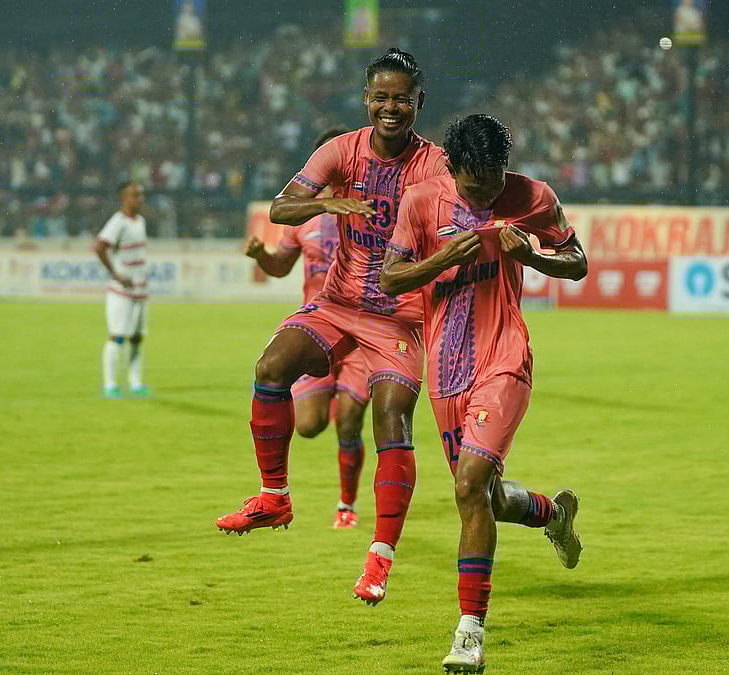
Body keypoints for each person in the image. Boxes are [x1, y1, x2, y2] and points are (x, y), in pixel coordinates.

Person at [214, 49, 448, 607]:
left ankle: (379, 558)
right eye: (380, 97)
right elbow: (280, 208)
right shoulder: (341, 151)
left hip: (399, 316)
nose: (390, 108)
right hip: (338, 303)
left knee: (390, 422)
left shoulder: (435, 165)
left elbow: (460, 220)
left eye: (401, 99)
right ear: (366, 98)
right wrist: (329, 202)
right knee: (271, 367)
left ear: (419, 102)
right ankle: (275, 497)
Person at [381, 114, 587, 672]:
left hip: (504, 359)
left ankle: (469, 633)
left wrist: (532, 258)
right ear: (452, 169)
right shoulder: (421, 202)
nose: (487, 195)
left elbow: (578, 262)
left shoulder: (533, 196)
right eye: (475, 186)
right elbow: (390, 279)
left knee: (469, 485)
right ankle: (552, 515)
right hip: (446, 371)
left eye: (495, 181)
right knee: (486, 500)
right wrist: (443, 259)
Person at [243, 127, 370, 529]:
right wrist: (261, 256)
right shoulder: (303, 218)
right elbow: (282, 266)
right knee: (311, 425)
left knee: (349, 421)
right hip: (318, 328)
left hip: (362, 333)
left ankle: (346, 506)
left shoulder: (371, 208)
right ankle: (334, 394)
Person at [94, 182, 150, 399]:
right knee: (117, 337)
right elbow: (100, 247)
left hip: (140, 290)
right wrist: (116, 274)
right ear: (124, 198)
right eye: (135, 195)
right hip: (121, 292)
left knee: (136, 338)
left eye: (141, 195)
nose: (140, 199)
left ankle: (135, 384)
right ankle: (110, 385)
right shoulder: (118, 222)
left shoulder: (140, 221)